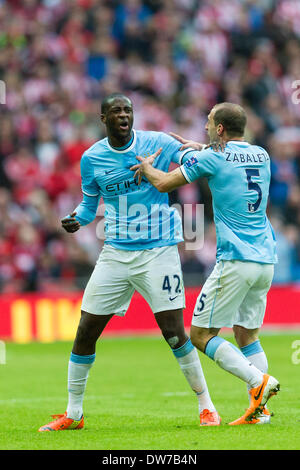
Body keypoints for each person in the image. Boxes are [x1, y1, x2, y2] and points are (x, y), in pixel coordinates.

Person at [38, 93, 220, 432]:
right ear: (103, 118)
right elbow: (89, 205)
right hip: (116, 253)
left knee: (174, 333)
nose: (123, 115)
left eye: (128, 110)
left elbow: (193, 160)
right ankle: (73, 414)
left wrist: (195, 151)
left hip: (159, 251)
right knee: (85, 331)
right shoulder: (92, 158)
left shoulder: (157, 142)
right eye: (116, 111)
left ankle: (206, 406)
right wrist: (76, 218)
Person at [130, 102, 280, 425]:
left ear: (221, 129)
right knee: (247, 335)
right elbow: (219, 157)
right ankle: (260, 410)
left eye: (210, 122)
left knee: (199, 334)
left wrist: (145, 168)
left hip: (236, 260)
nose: (206, 127)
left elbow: (163, 182)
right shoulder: (262, 155)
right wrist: (197, 149)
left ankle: (259, 382)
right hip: (266, 260)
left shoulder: (213, 157)